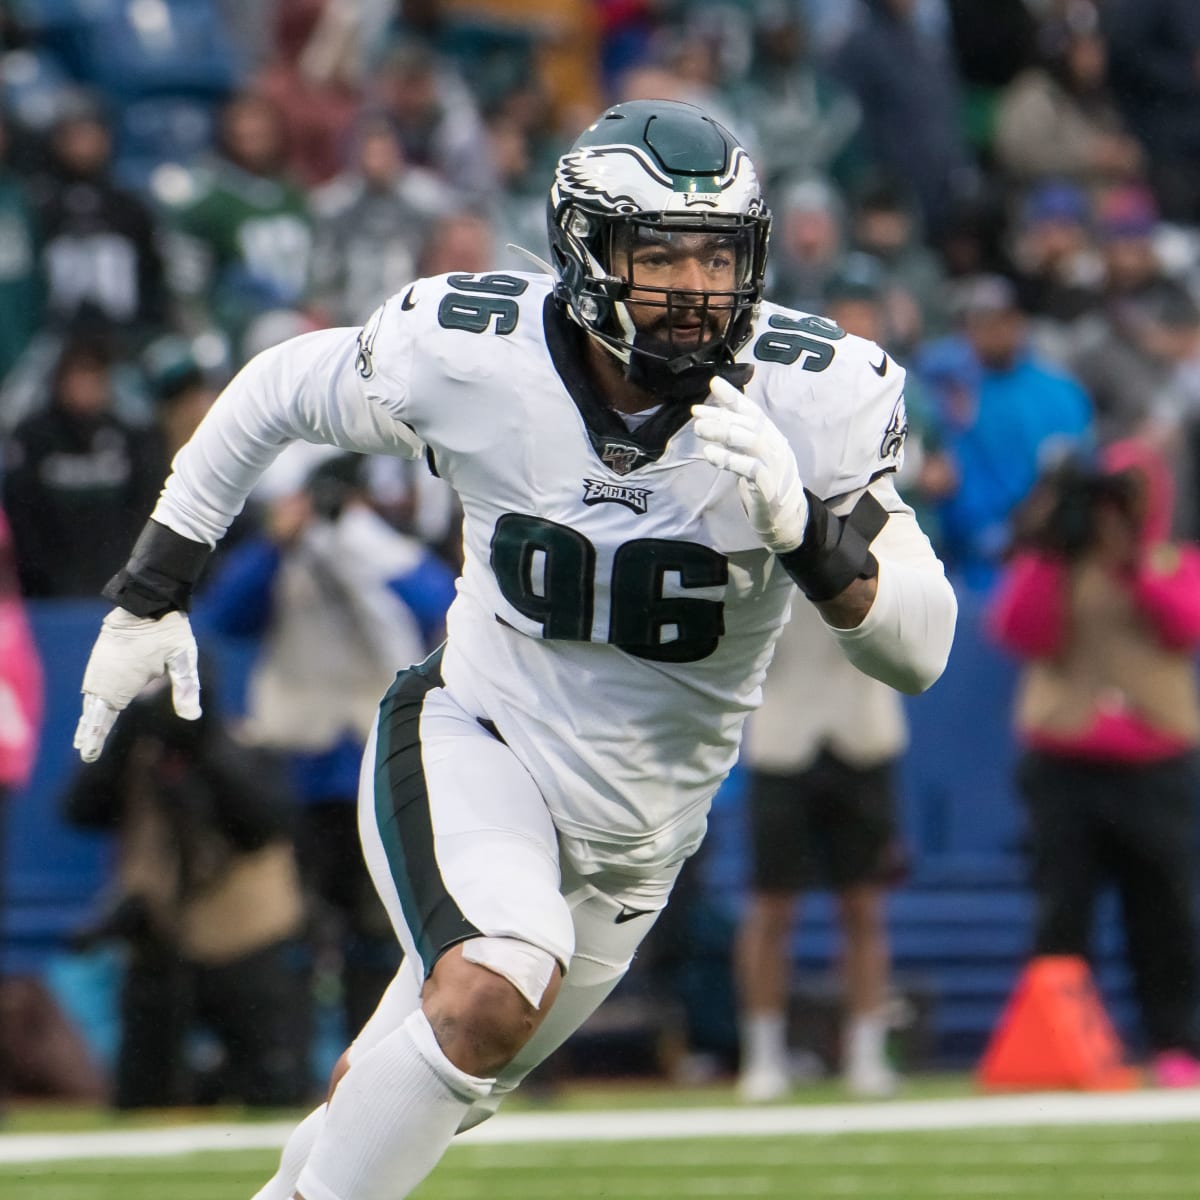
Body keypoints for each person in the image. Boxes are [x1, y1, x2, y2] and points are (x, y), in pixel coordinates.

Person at [73, 100, 956, 1200]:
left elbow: (918, 647)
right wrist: (152, 592)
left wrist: (806, 532)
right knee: (495, 984)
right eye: (660, 252)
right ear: (586, 251)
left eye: (718, 255)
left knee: (420, 1071)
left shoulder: (814, 396)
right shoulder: (472, 353)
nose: (695, 287)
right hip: (476, 738)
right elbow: (272, 393)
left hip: (641, 845)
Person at [198, 453, 457, 1041]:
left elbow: (435, 604)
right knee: (297, 921)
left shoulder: (383, 550)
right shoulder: (281, 558)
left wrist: (356, 536)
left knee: (378, 921)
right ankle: (295, 1059)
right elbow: (226, 616)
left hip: (374, 757)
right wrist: (279, 543)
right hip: (297, 761)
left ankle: (370, 1048)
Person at [989, 441, 1200, 1086]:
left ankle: (1178, 1044)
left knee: (1166, 912)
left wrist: (1132, 563)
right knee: (1062, 910)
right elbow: (1017, 631)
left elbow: (1183, 626)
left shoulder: (1172, 562)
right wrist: (1057, 546)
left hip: (1156, 762)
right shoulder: (1052, 565)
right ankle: (1061, 1042)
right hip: (1064, 762)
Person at [62, 675, 311, 1108]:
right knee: (142, 1096)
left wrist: (205, 746)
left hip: (247, 939)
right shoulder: (137, 758)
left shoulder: (246, 744)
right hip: (160, 938)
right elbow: (80, 811)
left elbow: (265, 823)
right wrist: (126, 732)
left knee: (274, 1087)